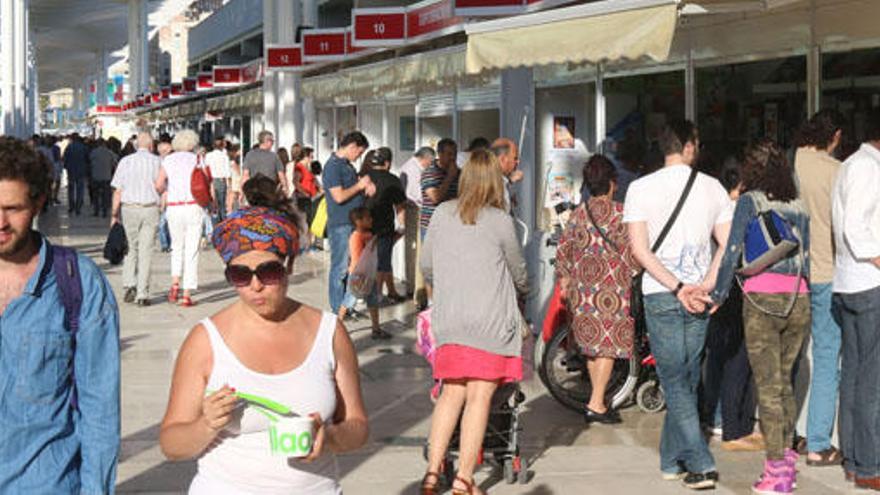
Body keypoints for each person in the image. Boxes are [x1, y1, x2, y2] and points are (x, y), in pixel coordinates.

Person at [158, 185, 369, 494]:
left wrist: (329, 438)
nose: (255, 286)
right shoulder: (206, 340)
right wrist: (207, 424)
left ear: (290, 265)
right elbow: (171, 444)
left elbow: (358, 426)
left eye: (268, 271)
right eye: (240, 276)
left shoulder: (329, 333)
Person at [0, 137, 120, 493]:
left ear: (39, 202)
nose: (0, 222)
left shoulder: (77, 284)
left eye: (13, 208)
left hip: (44, 484)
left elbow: (100, 409)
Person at [623, 120, 732, 490]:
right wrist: (708, 284)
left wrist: (678, 285)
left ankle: (677, 459)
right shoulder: (714, 187)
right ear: (689, 145)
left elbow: (639, 250)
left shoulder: (640, 188)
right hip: (698, 294)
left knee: (677, 379)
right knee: (681, 378)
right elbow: (727, 245)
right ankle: (695, 461)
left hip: (662, 293)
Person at [419, 150, 528, 495]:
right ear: (496, 182)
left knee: (451, 393)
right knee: (480, 397)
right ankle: (465, 479)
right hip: (490, 321)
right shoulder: (500, 220)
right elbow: (518, 272)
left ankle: (432, 475)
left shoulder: (441, 214)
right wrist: (525, 289)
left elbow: (426, 266)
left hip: (451, 319)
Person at [706, 140, 811, 494]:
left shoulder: (749, 201)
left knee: (767, 386)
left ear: (753, 170)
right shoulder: (799, 204)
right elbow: (807, 255)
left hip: (762, 298)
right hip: (799, 297)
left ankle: (776, 472)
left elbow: (733, 249)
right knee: (784, 381)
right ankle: (788, 458)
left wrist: (719, 294)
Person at [555, 155, 640, 424]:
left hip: (583, 290)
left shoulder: (578, 214)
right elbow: (633, 253)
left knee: (593, 346)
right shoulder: (621, 214)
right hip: (611, 290)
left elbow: (564, 251)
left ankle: (597, 397)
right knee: (607, 348)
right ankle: (596, 403)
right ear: (613, 184)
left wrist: (566, 279)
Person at [792, 109, 845, 466]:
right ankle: (818, 441)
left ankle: (795, 430)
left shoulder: (790, 163)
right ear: (836, 136)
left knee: (796, 354)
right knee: (827, 357)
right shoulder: (836, 172)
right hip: (826, 271)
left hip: (790, 274)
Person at [699, 156, 762, 452]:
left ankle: (710, 415)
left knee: (715, 357)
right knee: (737, 358)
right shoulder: (740, 210)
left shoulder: (710, 208)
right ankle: (730, 422)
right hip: (734, 288)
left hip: (710, 287)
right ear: (742, 183)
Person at [831, 110, 880, 490]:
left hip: (848, 283)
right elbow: (856, 229)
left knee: (853, 375)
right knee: (871, 380)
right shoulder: (868, 168)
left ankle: (853, 458)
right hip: (868, 283)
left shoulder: (850, 165)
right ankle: (869, 465)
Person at [155, 130, 206, 307]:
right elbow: (207, 182)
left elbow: (159, 184)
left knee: (177, 247)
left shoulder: (168, 160)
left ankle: (175, 284)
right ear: (193, 143)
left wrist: (167, 191)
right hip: (194, 206)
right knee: (191, 249)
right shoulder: (198, 159)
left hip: (174, 208)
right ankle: (186, 293)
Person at [323, 131, 373, 313]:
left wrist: (364, 186)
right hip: (340, 223)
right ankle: (338, 309)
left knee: (351, 266)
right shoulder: (333, 167)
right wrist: (359, 186)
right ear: (351, 146)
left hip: (351, 222)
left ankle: (346, 307)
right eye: (359, 153)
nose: (358, 157)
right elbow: (339, 196)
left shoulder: (346, 166)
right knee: (340, 268)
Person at [111, 131, 162, 306]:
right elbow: (162, 187)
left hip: (129, 209)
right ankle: (142, 294)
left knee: (130, 248)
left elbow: (118, 190)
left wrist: (114, 214)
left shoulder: (125, 162)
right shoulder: (158, 162)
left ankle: (129, 284)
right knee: (146, 251)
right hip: (150, 209)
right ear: (151, 145)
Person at [337, 207, 391, 339]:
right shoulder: (356, 237)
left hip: (368, 275)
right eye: (368, 218)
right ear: (358, 221)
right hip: (358, 275)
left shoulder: (368, 235)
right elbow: (357, 258)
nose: (371, 220)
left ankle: (376, 329)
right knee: (348, 300)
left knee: (372, 301)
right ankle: (336, 328)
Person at [364, 147, 407, 302]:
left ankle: (390, 291)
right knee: (382, 262)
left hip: (363, 226)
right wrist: (402, 227)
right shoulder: (393, 180)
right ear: (388, 163)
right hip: (384, 227)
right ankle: (377, 295)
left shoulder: (363, 176)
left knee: (368, 261)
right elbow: (400, 207)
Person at [401, 147, 435, 305]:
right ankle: (417, 291)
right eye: (431, 161)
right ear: (426, 159)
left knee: (412, 249)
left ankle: (411, 286)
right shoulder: (414, 169)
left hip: (411, 209)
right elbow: (418, 194)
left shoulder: (408, 166)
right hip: (416, 210)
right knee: (418, 251)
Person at [420, 139, 459, 237]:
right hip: (432, 226)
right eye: (449, 154)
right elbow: (435, 198)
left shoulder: (460, 173)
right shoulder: (430, 173)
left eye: (455, 154)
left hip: (452, 225)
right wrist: (450, 177)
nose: (453, 157)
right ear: (440, 154)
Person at [490, 138, 525, 213]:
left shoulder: (496, 179)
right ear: (502, 159)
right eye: (515, 158)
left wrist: (509, 181)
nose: (517, 162)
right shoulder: (491, 183)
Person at [89, 138, 118, 218]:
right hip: (106, 176)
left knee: (96, 195)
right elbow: (115, 163)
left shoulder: (94, 152)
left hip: (96, 176)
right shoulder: (110, 153)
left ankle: (96, 210)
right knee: (105, 195)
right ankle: (105, 211)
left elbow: (90, 162)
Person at [205, 136, 232, 221]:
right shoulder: (224, 156)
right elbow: (228, 172)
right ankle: (223, 222)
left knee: (212, 203)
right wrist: (229, 186)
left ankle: (213, 223)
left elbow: (206, 168)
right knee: (221, 204)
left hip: (211, 180)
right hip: (221, 180)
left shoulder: (208, 155)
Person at [63, 132, 90, 215]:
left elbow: (65, 158)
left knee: (71, 189)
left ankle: (71, 206)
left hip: (71, 170)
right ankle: (78, 207)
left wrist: (66, 166)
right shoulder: (83, 147)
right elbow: (87, 158)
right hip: (81, 170)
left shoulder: (69, 147)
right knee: (80, 189)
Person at [227, 143, 243, 213]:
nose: (241, 152)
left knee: (234, 194)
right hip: (235, 179)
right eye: (240, 150)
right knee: (233, 194)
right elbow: (238, 171)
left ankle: (230, 210)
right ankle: (230, 210)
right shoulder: (233, 162)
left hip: (235, 179)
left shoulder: (233, 161)